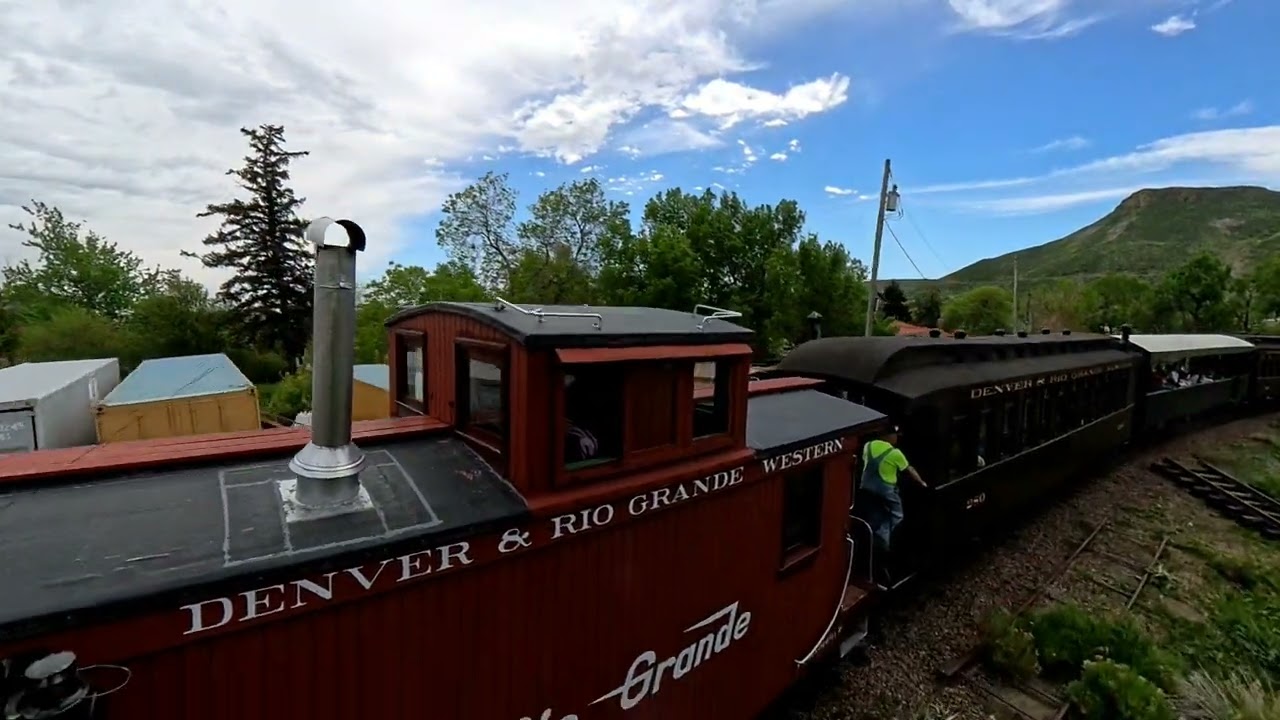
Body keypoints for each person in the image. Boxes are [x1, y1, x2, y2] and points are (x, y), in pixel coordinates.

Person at [859, 426, 928, 552]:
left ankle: (873, 539)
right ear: (889, 436)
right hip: (886, 490)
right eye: (895, 435)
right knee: (897, 515)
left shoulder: (868, 445)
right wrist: (922, 482)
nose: (897, 438)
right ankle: (886, 540)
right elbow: (909, 470)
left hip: (866, 487)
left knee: (876, 514)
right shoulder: (895, 453)